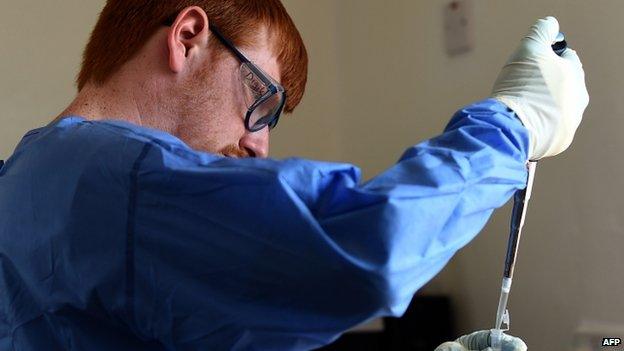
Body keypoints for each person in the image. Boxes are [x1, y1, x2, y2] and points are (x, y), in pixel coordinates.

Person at [0, 0, 587, 349]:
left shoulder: (27, 181)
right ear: (188, 38)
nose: (259, 145)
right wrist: (511, 125)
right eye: (262, 99)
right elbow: (370, 247)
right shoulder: (115, 179)